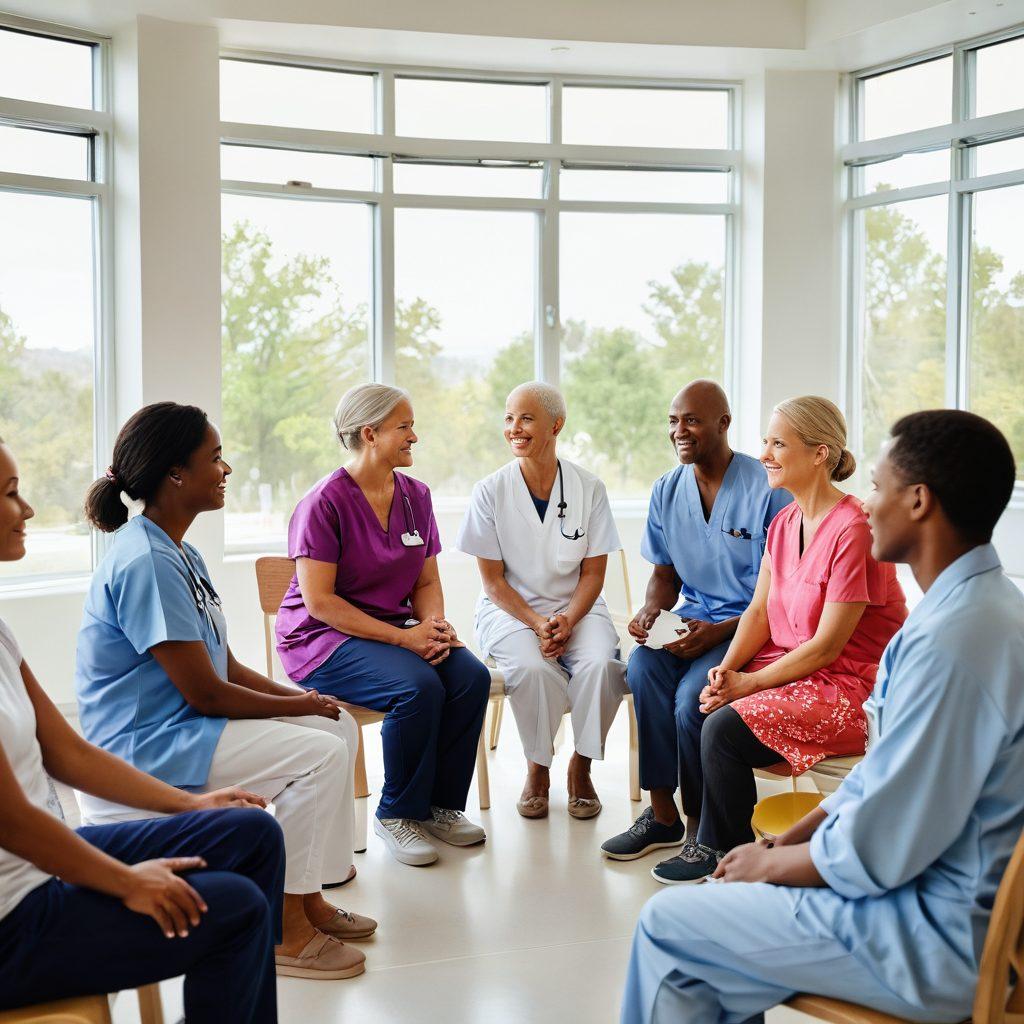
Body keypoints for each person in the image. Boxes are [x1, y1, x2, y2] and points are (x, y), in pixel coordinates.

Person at [621, 408, 1024, 1024]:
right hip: (922, 894)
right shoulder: (969, 611)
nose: (867, 503)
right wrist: (788, 840)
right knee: (717, 934)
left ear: (918, 502)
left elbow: (883, 848)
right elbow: (879, 780)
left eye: (878, 487)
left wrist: (771, 864)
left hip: (930, 934)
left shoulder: (953, 644)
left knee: (668, 926)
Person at [74, 403, 373, 980]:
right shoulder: (146, 561)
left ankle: (309, 896)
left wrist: (305, 701)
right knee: (319, 753)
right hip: (146, 748)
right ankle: (285, 929)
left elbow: (226, 666)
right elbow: (206, 695)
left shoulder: (181, 552)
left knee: (333, 724)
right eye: (214, 458)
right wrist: (295, 704)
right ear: (175, 473)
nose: (226, 469)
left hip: (185, 727)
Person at [0, 434, 284, 1022]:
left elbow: (68, 753)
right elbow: (11, 821)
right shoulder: (142, 558)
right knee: (235, 909)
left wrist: (192, 805)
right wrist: (127, 882)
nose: (27, 509)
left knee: (250, 831)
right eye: (9, 493)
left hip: (34, 870)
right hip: (12, 918)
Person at [650, 396, 908, 884]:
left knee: (723, 728)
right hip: (794, 669)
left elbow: (828, 647)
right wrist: (728, 671)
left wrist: (749, 684)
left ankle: (728, 856)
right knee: (702, 702)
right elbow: (758, 613)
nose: (764, 454)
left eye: (778, 444)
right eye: (765, 442)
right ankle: (703, 835)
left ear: (819, 453)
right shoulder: (785, 523)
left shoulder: (853, 529)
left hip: (850, 686)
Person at [277, 383, 490, 868]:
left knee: (469, 677)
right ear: (370, 434)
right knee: (417, 687)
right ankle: (397, 813)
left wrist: (433, 628)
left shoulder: (416, 496)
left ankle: (439, 807)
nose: (415, 436)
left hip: (396, 629)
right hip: (321, 639)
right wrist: (406, 639)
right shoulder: (323, 502)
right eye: (405, 427)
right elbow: (320, 603)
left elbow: (427, 580)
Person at [601, 380, 791, 861]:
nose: (679, 431)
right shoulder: (667, 490)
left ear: (723, 424)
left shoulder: (767, 488)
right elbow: (664, 575)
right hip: (692, 618)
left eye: (691, 420)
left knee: (692, 699)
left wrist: (720, 631)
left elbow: (785, 591)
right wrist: (651, 610)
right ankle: (662, 814)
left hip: (750, 625)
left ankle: (703, 829)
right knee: (642, 667)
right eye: (673, 420)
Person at [456, 381, 627, 820]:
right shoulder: (490, 491)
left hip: (578, 607)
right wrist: (537, 622)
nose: (514, 428)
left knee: (601, 665)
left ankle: (581, 766)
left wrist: (567, 618)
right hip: (510, 611)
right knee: (533, 668)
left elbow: (593, 574)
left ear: (556, 425)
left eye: (526, 418)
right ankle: (538, 768)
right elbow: (493, 582)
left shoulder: (589, 488)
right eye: (509, 418)